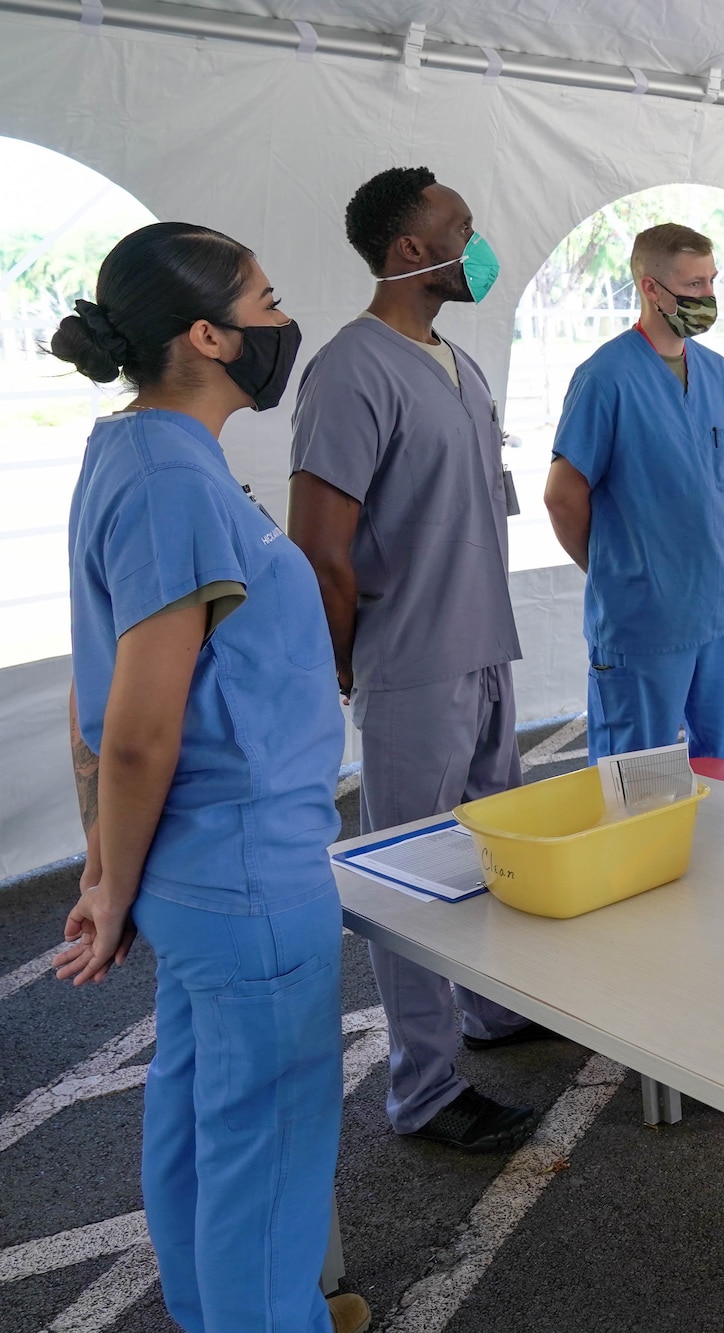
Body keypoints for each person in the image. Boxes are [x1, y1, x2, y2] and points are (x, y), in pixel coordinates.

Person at [52, 223, 369, 1333]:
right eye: (267, 301)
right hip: (243, 872)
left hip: (200, 871)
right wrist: (107, 880)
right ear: (206, 335)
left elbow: (95, 704)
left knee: (201, 1125)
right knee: (268, 1160)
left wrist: (111, 867)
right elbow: (136, 728)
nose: (283, 321)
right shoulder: (172, 481)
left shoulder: (136, 450)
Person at [290, 167, 545, 1155]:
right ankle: (425, 1087)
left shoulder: (455, 362)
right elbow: (321, 549)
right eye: (463, 227)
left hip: (483, 651)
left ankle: (481, 1012)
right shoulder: (352, 368)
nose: (478, 244)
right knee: (407, 873)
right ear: (409, 249)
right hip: (414, 663)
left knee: (482, 857)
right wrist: (353, 666)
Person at [544, 223, 724, 761]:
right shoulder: (605, 378)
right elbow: (561, 497)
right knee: (633, 786)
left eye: (712, 282)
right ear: (651, 288)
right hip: (643, 621)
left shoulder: (720, 374)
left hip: (722, 613)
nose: (707, 296)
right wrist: (613, 568)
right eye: (693, 286)